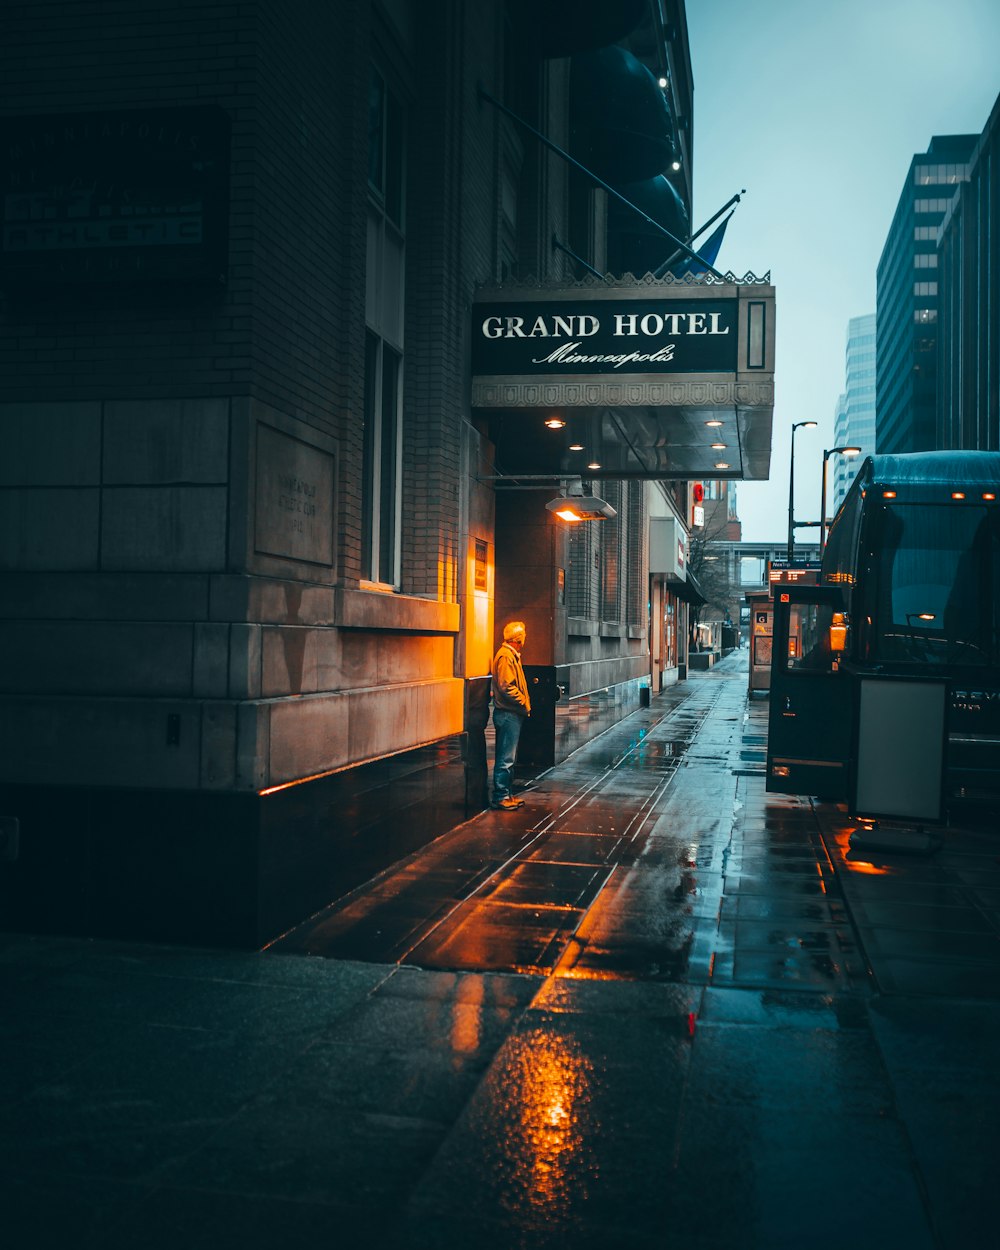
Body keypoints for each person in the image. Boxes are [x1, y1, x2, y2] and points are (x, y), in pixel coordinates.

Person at [490, 620, 531, 810]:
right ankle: (501, 796)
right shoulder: (506, 656)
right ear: (518, 639)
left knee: (509, 758)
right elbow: (506, 686)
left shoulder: (511, 655)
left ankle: (507, 794)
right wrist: (522, 700)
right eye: (523, 636)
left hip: (510, 713)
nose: (525, 639)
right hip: (508, 714)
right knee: (506, 758)